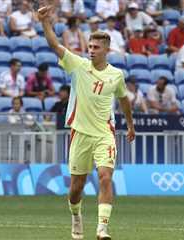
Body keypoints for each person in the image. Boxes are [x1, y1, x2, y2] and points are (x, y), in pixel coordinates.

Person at [38, 5, 135, 240]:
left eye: (96, 47)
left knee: (105, 177)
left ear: (106, 50)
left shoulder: (116, 75)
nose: (91, 50)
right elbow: (55, 45)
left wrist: (130, 125)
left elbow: (124, 100)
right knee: (76, 189)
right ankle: (76, 215)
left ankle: (102, 228)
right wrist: (45, 23)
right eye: (89, 46)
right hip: (80, 133)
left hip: (104, 133)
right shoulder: (78, 65)